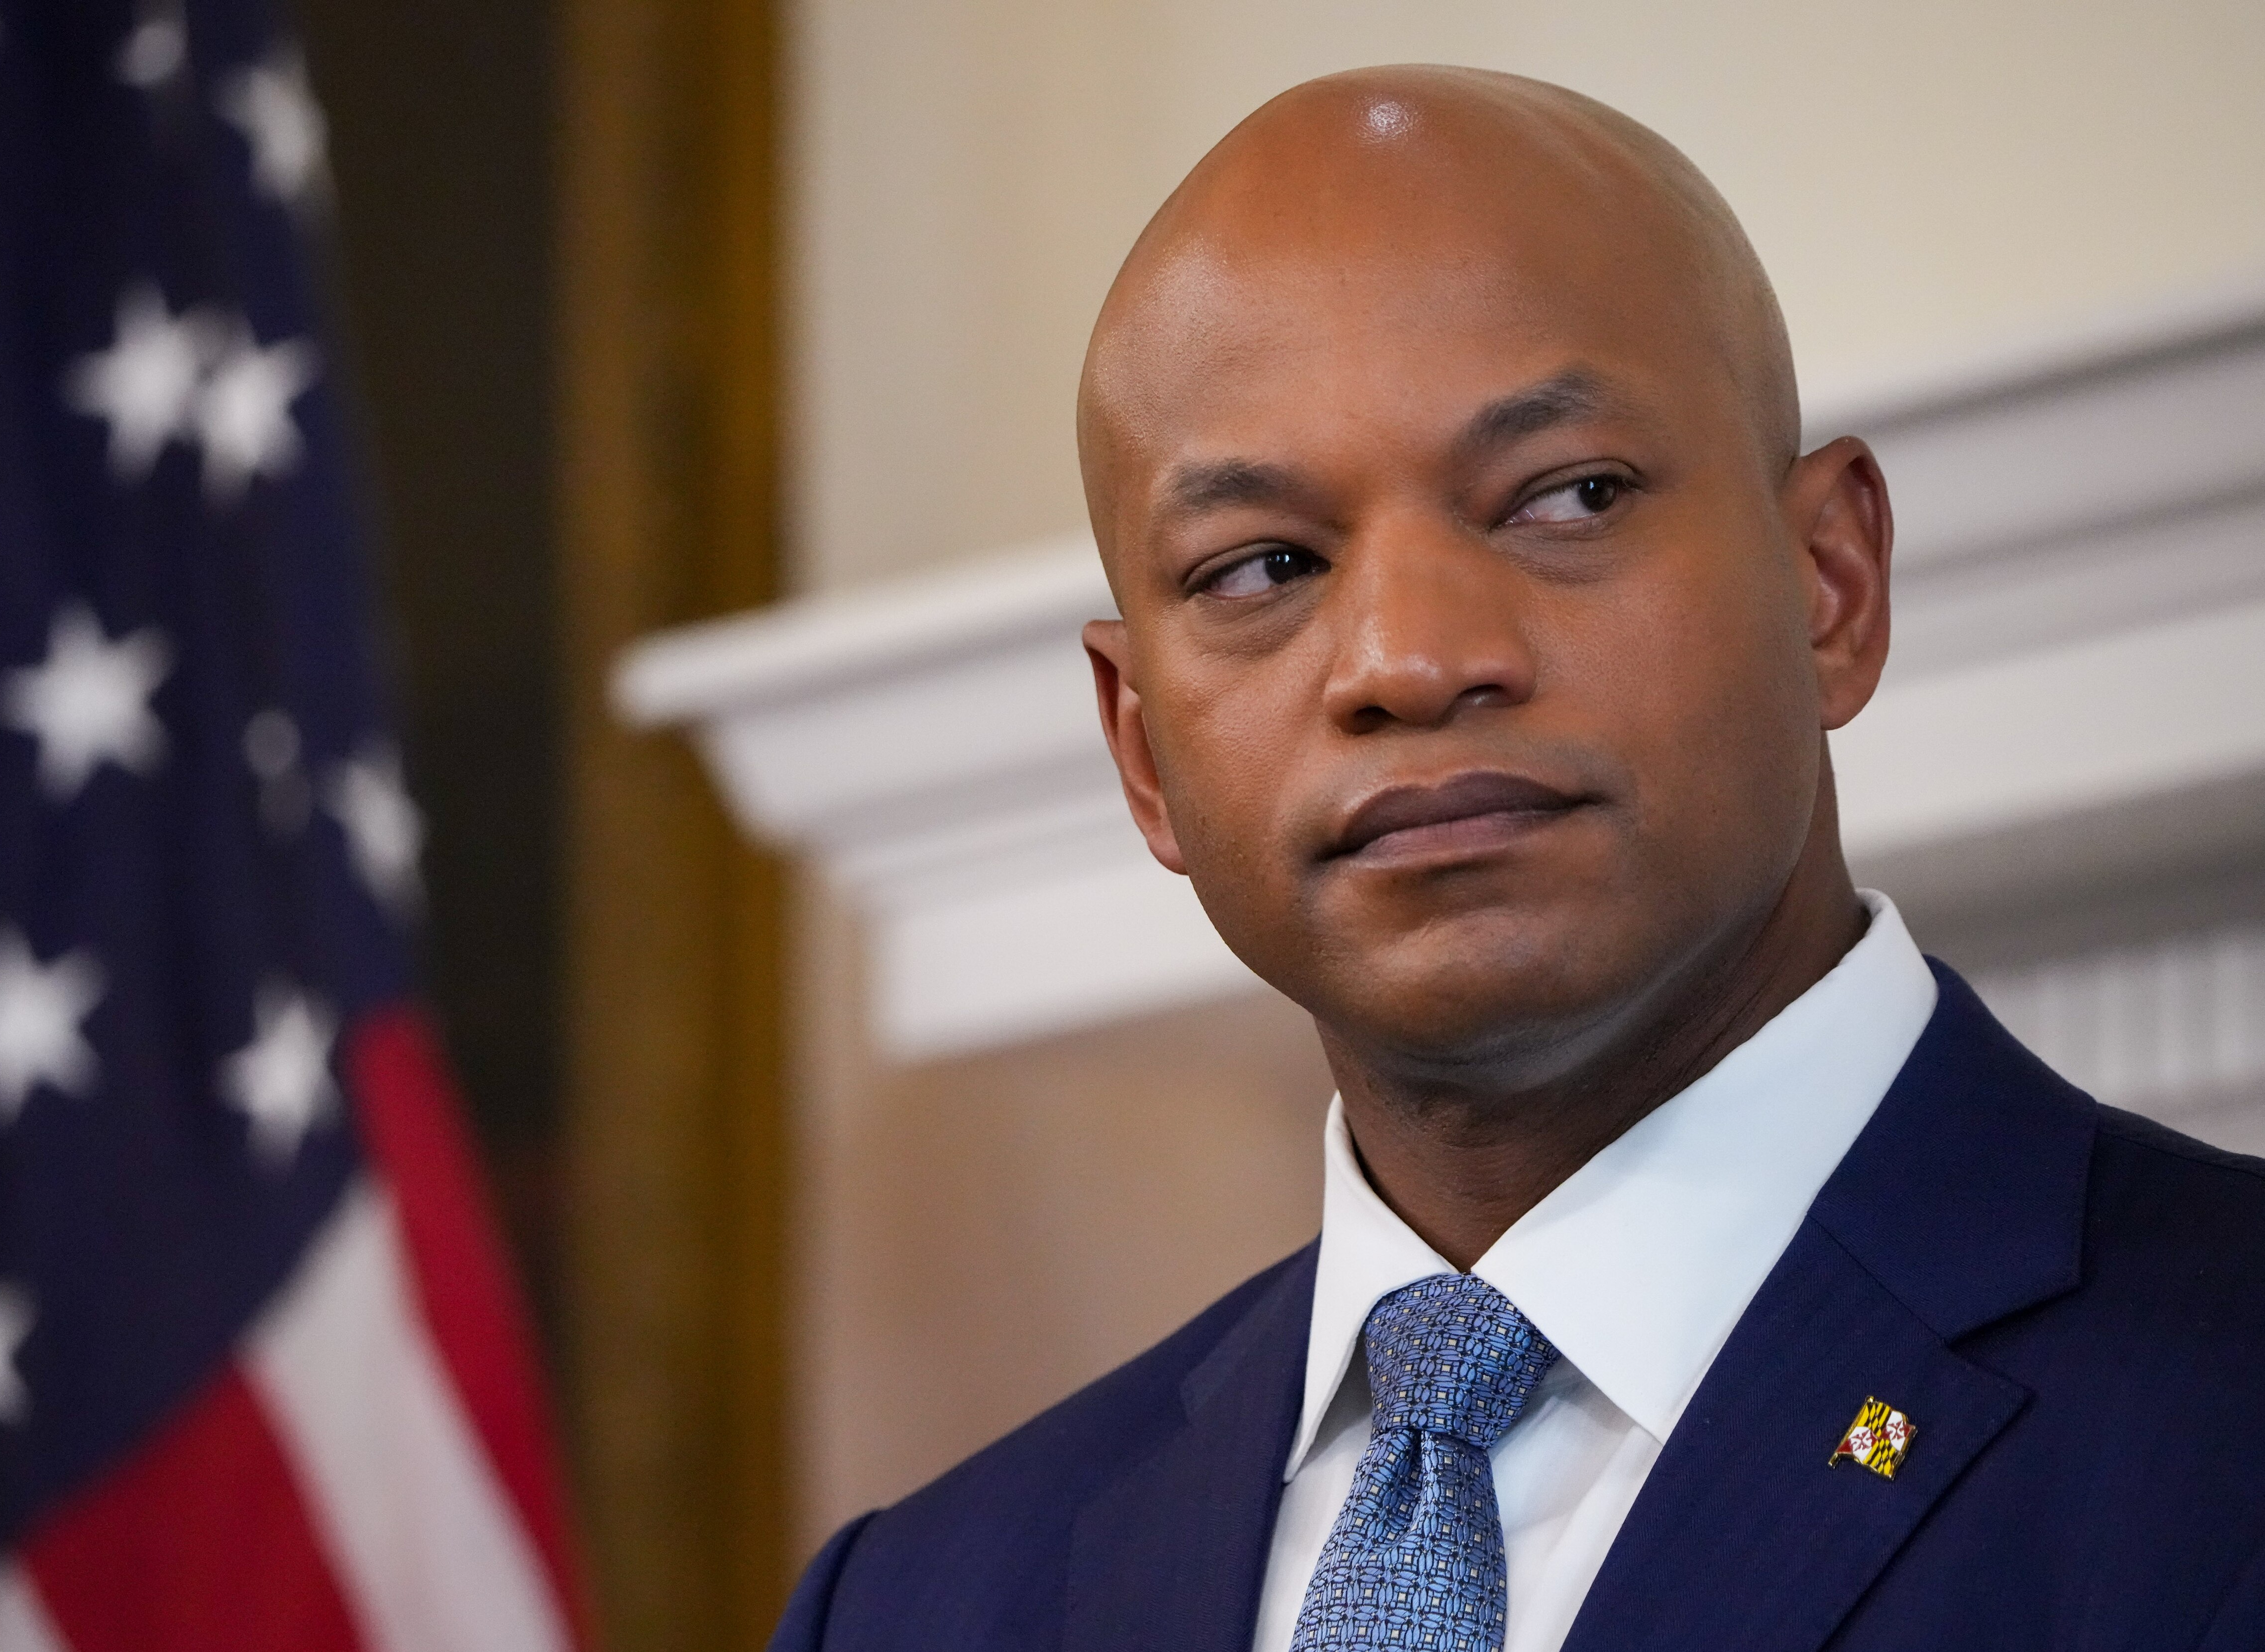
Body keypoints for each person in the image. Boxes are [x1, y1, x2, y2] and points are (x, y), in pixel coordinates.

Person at [768, 66, 2265, 1652]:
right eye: (1263, 565)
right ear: (1143, 751)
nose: (1410, 660)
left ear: (1830, 583)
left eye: (1566, 498)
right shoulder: (921, 1604)